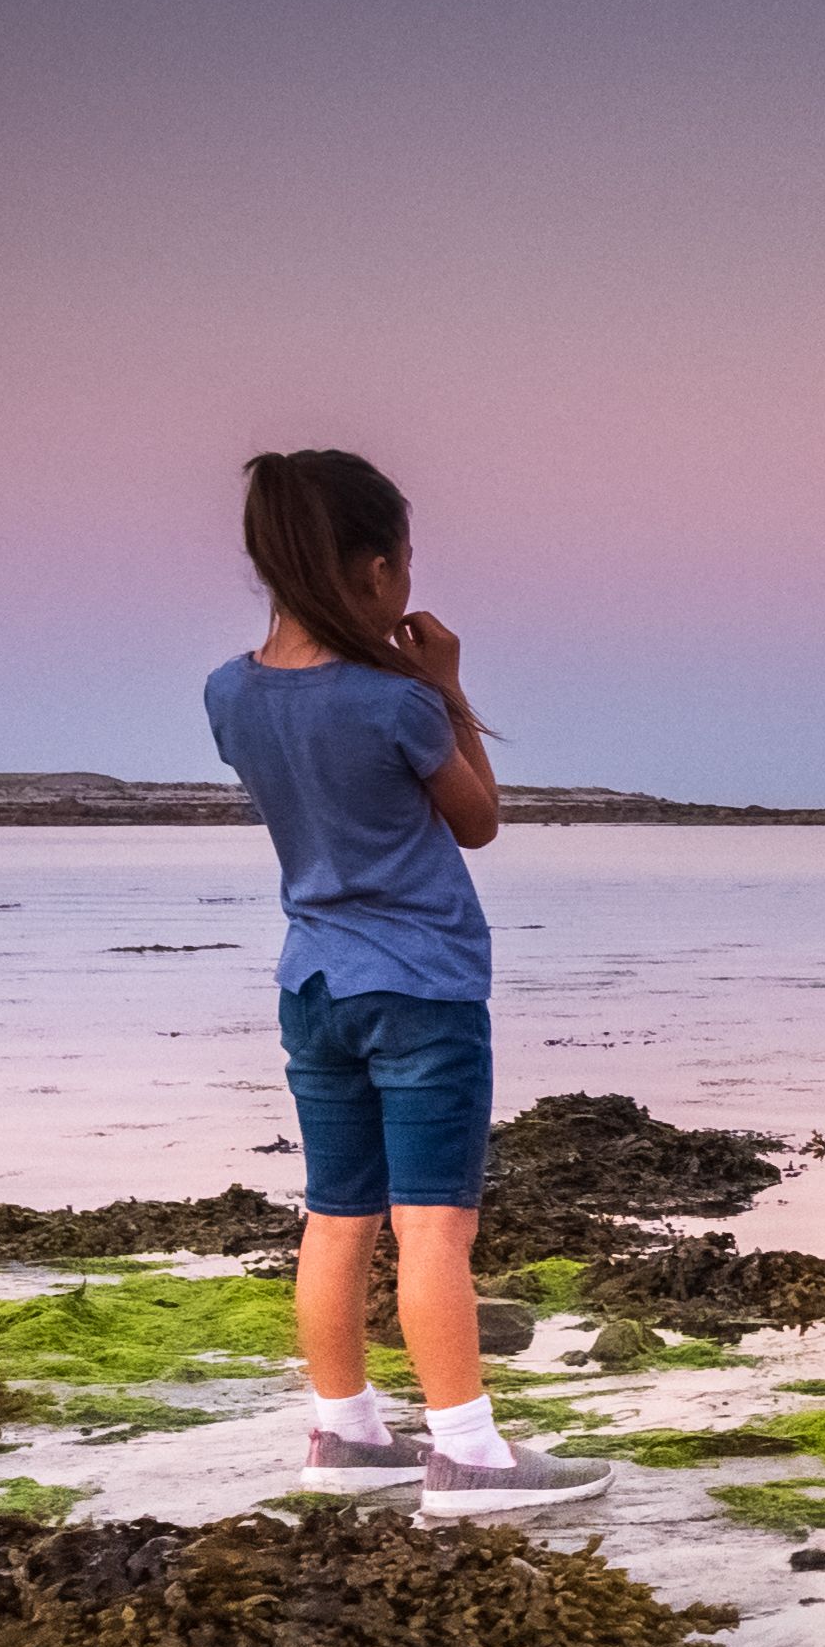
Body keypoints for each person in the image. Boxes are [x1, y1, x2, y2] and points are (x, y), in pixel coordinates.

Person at [208, 448, 605, 1518]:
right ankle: (467, 1455)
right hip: (421, 984)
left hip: (313, 982)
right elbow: (476, 820)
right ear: (377, 571)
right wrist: (449, 684)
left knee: (337, 1218)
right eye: (406, 564)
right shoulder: (397, 702)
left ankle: (343, 1434)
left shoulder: (228, 694)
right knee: (435, 1227)